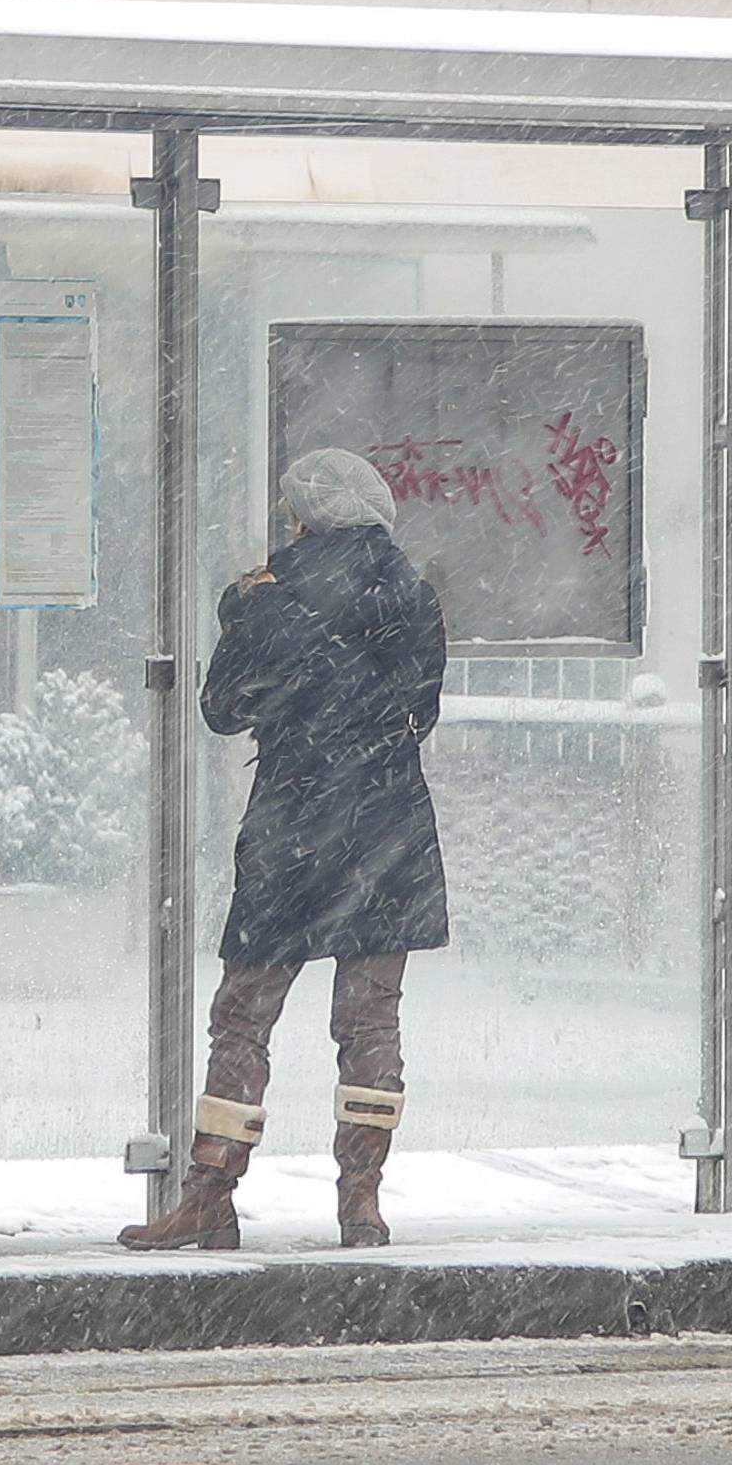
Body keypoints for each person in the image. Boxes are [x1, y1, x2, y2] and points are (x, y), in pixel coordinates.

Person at [120, 447, 448, 1254]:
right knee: (370, 1023)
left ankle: (210, 1196)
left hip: (292, 832)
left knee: (243, 1015)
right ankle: (361, 1203)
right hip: (388, 833)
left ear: (301, 518)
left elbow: (223, 710)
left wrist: (258, 640)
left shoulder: (264, 597)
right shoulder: (411, 593)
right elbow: (421, 708)